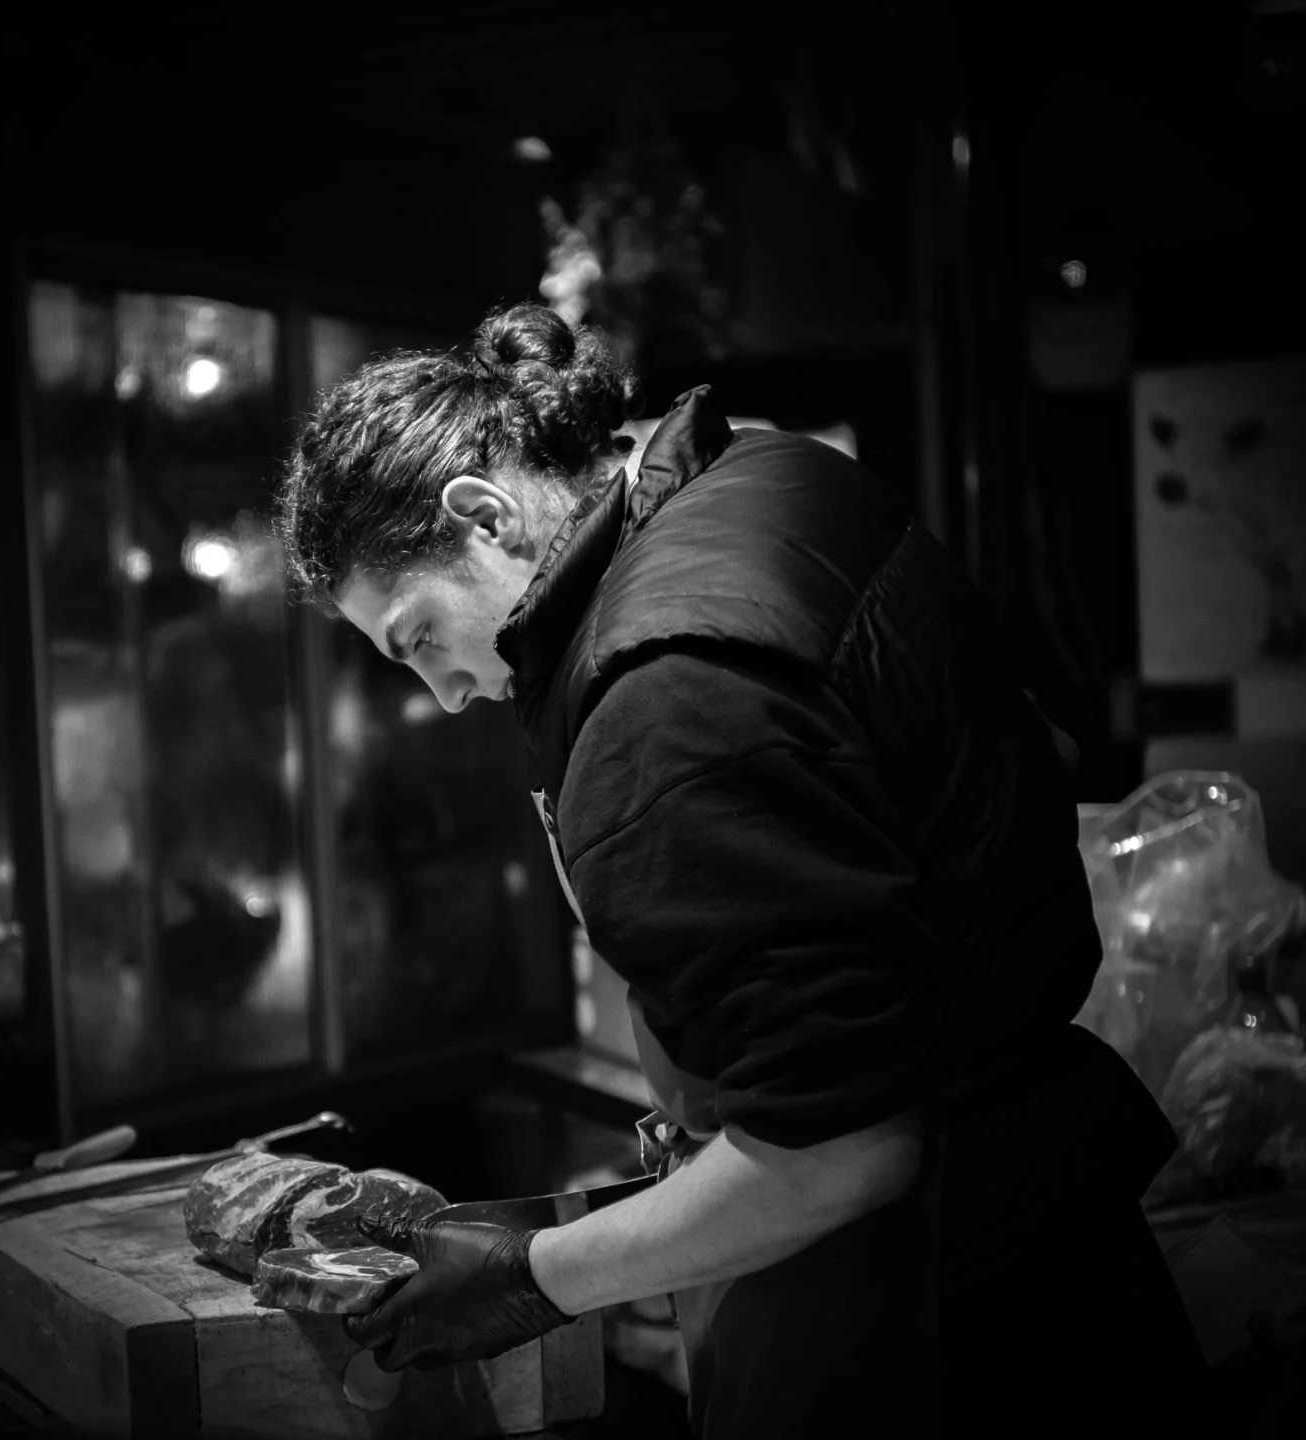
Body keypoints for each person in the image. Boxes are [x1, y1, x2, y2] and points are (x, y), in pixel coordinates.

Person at [274, 303, 1210, 1436]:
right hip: (1049, 1237)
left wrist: (537, 1276)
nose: (448, 692)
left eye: (418, 636)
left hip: (921, 1316)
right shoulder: (764, 476)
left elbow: (837, 1153)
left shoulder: (661, 693)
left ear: (483, 515)